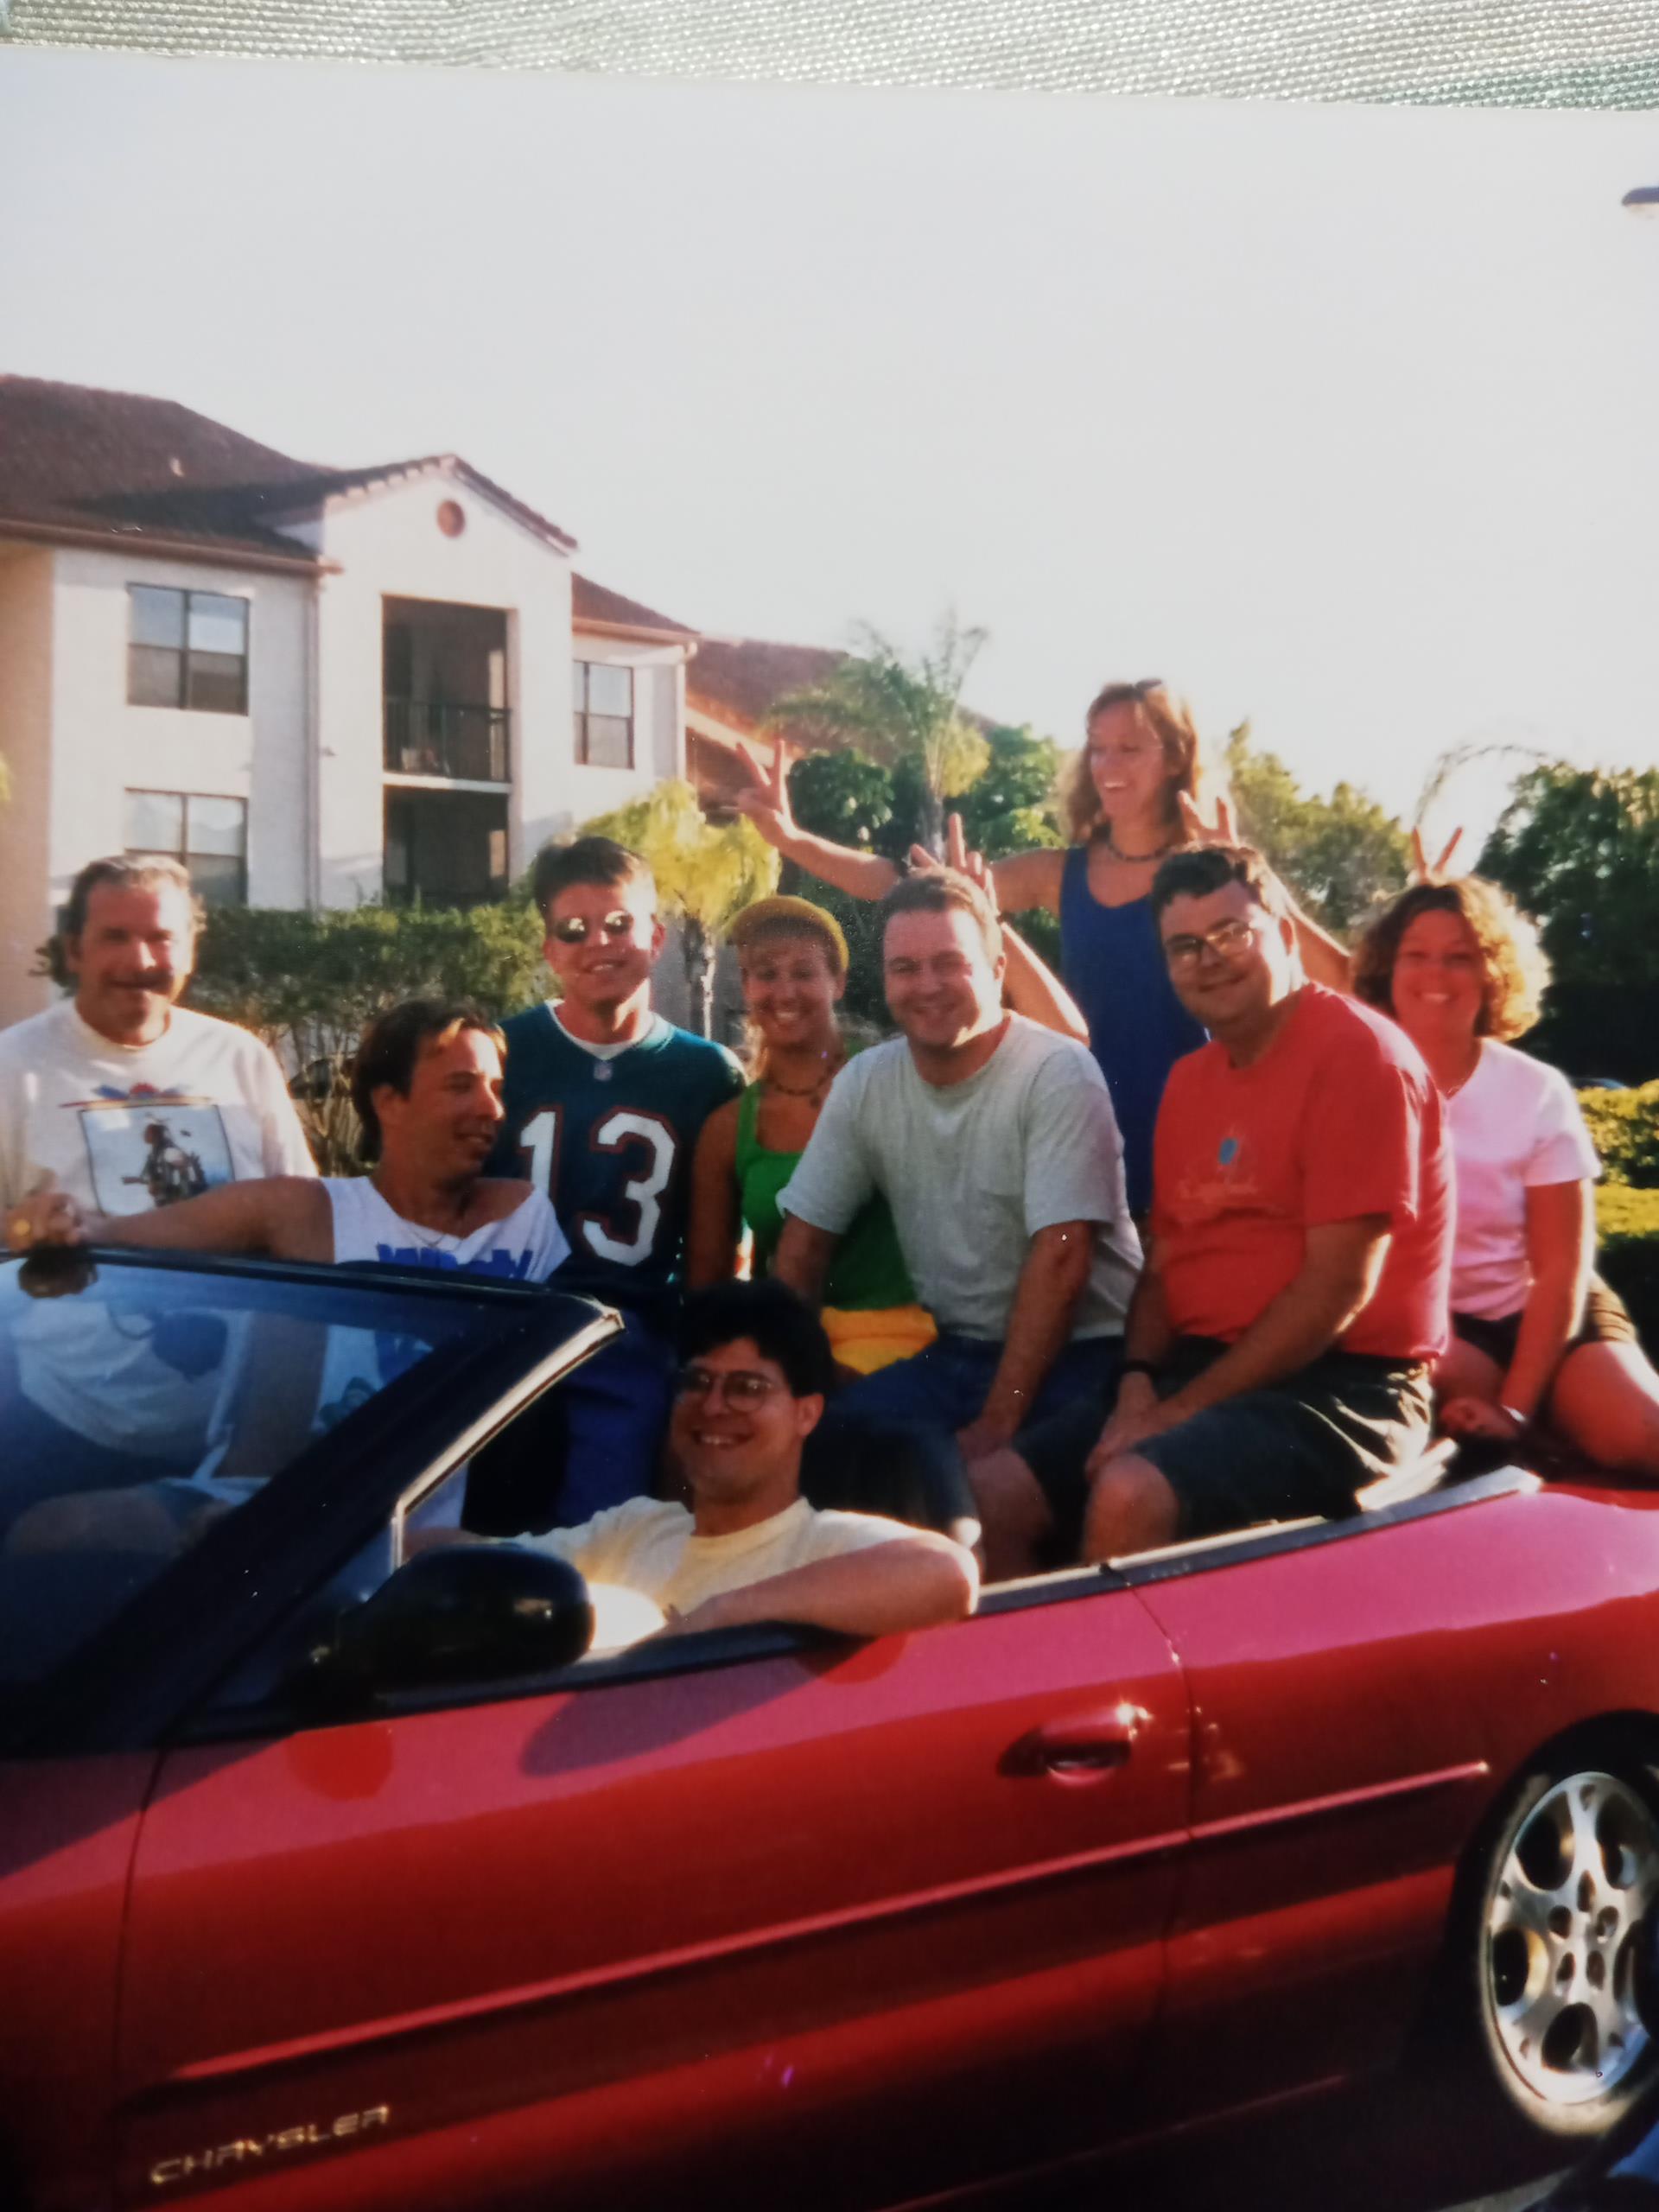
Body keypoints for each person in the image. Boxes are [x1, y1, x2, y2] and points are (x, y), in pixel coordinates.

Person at [969, 844, 1452, 1580]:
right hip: (1198, 1367)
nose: (1209, 960)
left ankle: (1118, 1695)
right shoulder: (1190, 1082)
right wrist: (1136, 1382)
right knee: (994, 1493)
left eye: (1232, 935)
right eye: (1184, 947)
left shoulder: (1361, 1057)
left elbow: (1335, 1292)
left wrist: (1170, 1415)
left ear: (1285, 934)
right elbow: (1163, 1269)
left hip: (1344, 1385)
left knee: (1131, 1492)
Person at [733, 681, 1350, 1213]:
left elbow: (1341, 979)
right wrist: (790, 840)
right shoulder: (1062, 872)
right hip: (1083, 1135)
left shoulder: (1215, 882)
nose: (1108, 763)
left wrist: (1248, 876)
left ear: (1177, 758)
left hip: (1208, 1137)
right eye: (1098, 746)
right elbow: (912, 884)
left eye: (1130, 748)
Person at [772, 868, 1141, 1456]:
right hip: (955, 1353)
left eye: (950, 963)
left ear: (997, 972)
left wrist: (997, 1425)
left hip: (1087, 1352)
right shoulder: (867, 1081)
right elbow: (803, 1245)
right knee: (806, 1451)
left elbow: (1063, 1261)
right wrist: (786, 1385)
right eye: (905, 968)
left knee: (979, 1490)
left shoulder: (1055, 1072)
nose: (927, 986)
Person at [1354, 877, 1659, 1475]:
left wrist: (1516, 1409)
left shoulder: (1536, 1091)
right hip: (1439, 1332)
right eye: (1416, 955)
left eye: (1460, 957)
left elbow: (1560, 1273)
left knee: (1643, 1433)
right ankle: (1546, 1438)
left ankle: (1538, 1424)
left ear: (1493, 972)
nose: (1435, 975)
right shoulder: (1361, 1084)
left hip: (1547, 1316)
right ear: (1389, 969)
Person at [484, 836, 743, 1522]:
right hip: (503, 1331)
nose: (599, 942)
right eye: (575, 929)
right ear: (549, 950)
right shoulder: (504, 1051)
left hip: (628, 1339)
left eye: (619, 923)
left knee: (603, 1537)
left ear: (655, 936)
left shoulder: (707, 1073)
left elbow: (717, 1251)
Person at [525, 1281, 978, 1644]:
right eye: (697, 1381)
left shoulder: (822, 1543)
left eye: (747, 1388)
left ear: (808, 1413)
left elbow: (948, 1574)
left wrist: (718, 1617)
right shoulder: (633, 1528)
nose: (714, 1406)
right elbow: (492, 1562)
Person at [686, 894, 936, 1376]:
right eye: (766, 973)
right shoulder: (728, 1127)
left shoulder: (898, 1074)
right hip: (787, 1347)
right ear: (745, 984)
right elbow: (707, 1289)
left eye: (804, 973)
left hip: (907, 1342)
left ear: (837, 983)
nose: (785, 992)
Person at [0, 854, 315, 1217]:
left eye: (161, 938)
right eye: (115, 938)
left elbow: (299, 1212)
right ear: (74, 950)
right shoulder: (13, 1066)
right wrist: (26, 1230)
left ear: (189, 952)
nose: (141, 962)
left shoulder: (239, 1057)